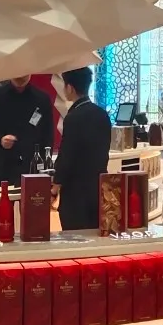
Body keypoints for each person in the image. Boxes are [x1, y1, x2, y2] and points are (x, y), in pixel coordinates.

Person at [52, 67, 110, 231]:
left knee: (75, 238)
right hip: (99, 189)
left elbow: (67, 156)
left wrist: (55, 186)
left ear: (70, 88)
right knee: (96, 236)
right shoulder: (102, 115)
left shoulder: (73, 118)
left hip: (75, 194)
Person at [0, 75, 54, 188]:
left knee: (33, 199)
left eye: (24, 73)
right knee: (0, 199)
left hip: (31, 167)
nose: (20, 76)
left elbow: (48, 136)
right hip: (2, 167)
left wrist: (44, 166)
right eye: (18, 73)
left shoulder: (42, 99)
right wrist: (0, 140)